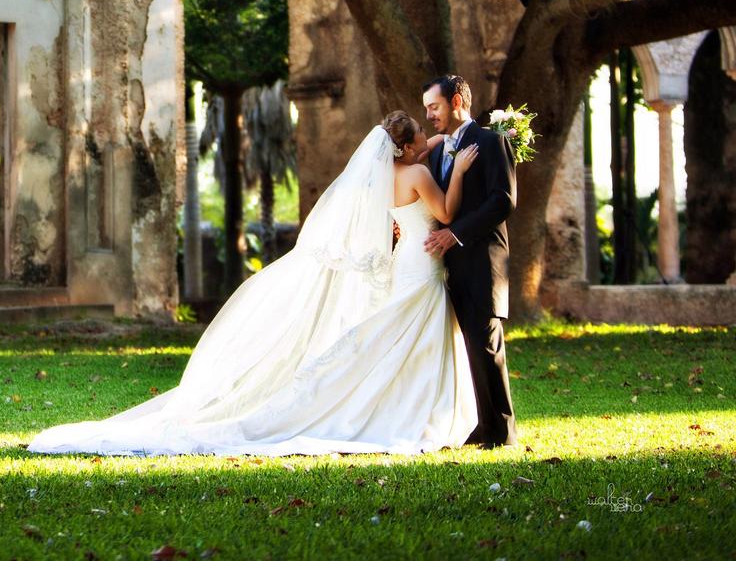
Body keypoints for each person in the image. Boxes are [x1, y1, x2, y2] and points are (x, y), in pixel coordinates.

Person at [27, 112, 480, 457]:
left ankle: (397, 409)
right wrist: (457, 171)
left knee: (391, 342)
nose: (426, 138)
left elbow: (403, 209)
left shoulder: (386, 179)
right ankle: (412, 412)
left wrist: (441, 143)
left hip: (407, 264)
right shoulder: (420, 174)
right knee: (408, 341)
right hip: (422, 269)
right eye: (419, 135)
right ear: (403, 148)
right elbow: (444, 215)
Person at [421, 73, 519, 448]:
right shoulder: (438, 148)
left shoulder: (490, 141)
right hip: (451, 265)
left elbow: (502, 201)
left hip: (482, 260)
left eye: (435, 106)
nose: (430, 114)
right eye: (427, 108)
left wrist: (455, 233)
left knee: (488, 345)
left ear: (457, 101)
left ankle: (503, 431)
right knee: (472, 349)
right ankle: (484, 424)